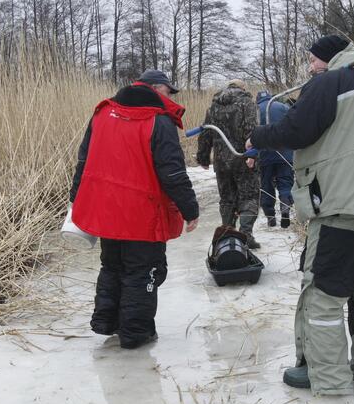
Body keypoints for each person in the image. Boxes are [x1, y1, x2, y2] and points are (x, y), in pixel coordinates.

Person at [246, 35, 354, 395]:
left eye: (312, 60)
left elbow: (296, 131)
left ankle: (328, 377)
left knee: (323, 298)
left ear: (329, 58)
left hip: (341, 208)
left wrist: (257, 137)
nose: (309, 67)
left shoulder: (328, 83)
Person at [70, 69, 200, 349]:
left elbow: (84, 159)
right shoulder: (158, 122)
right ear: (155, 89)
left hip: (108, 211)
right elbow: (172, 172)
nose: (170, 98)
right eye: (168, 91)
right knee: (144, 271)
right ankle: (134, 333)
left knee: (113, 265)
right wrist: (190, 209)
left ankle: (107, 322)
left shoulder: (102, 113)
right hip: (143, 214)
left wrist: (76, 196)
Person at [196, 79, 261, 249]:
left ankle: (228, 236)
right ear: (242, 87)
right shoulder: (247, 103)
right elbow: (252, 129)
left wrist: (203, 157)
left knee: (226, 198)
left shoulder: (213, 107)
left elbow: (205, 133)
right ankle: (246, 235)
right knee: (249, 196)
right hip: (242, 158)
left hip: (221, 162)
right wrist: (252, 155)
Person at [255, 90, 294, 228]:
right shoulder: (283, 107)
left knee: (266, 185)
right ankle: (285, 208)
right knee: (285, 182)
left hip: (265, 155)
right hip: (285, 153)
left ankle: (270, 216)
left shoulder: (256, 110)